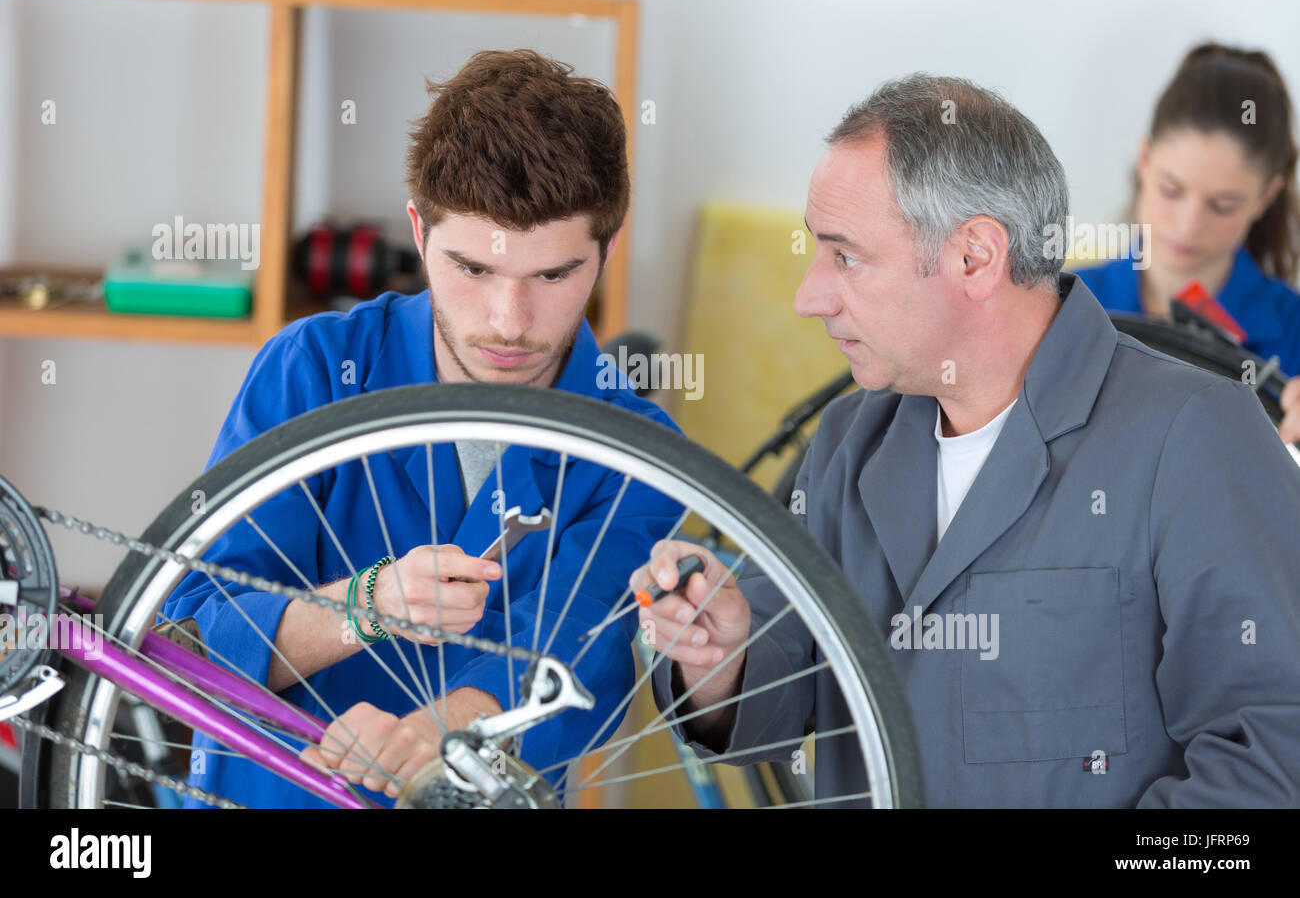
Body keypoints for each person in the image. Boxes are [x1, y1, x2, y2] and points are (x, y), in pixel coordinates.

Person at [636, 74, 1300, 808]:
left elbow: (1273, 763)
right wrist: (721, 657)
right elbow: (782, 693)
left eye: (845, 257)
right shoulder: (848, 442)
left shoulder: (1198, 436)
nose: (808, 297)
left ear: (976, 258)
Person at [162, 49, 683, 807]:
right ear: (419, 230)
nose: (509, 323)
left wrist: (444, 732)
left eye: (553, 275)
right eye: (472, 270)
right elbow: (187, 642)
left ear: (607, 248)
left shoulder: (638, 451)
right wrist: (366, 605)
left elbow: (578, 656)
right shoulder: (311, 370)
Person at [1074, 43, 1300, 443]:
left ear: (1266, 196)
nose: (1188, 225)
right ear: (1144, 161)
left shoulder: (1293, 332)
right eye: (1171, 189)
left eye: (1222, 205)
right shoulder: (1066, 304)